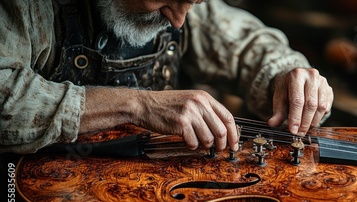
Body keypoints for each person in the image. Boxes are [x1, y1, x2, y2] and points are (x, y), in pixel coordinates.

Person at [0, 0, 334, 155]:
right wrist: (136, 105)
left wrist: (285, 75)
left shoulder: (181, 8)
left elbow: (248, 46)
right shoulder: (28, 7)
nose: (178, 20)